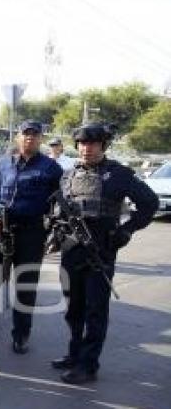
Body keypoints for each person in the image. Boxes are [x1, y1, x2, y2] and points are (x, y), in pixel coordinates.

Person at [52, 124, 158, 384]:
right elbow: (60, 210)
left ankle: (88, 365)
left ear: (103, 146)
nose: (86, 149)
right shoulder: (68, 175)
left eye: (93, 144)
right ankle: (74, 354)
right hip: (71, 250)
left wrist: (127, 230)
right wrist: (54, 232)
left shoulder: (119, 174)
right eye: (82, 144)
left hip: (101, 251)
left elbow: (149, 203)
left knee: (95, 311)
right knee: (73, 308)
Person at [0, 120, 63, 353]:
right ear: (17, 137)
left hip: (31, 233)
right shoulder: (2, 163)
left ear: (40, 139)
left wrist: (51, 232)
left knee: (25, 287)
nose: (30, 138)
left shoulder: (50, 168)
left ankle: (21, 335)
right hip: (0, 231)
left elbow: (60, 203)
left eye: (35, 134)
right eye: (25, 134)